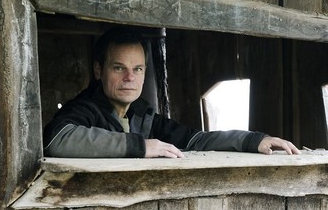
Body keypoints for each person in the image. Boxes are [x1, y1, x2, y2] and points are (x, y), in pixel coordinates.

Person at [43, 27, 300, 158]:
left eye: (138, 69)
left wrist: (252, 140)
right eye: (119, 67)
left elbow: (194, 141)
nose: (130, 77)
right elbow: (58, 141)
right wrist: (141, 147)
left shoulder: (143, 116)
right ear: (99, 70)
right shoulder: (85, 109)